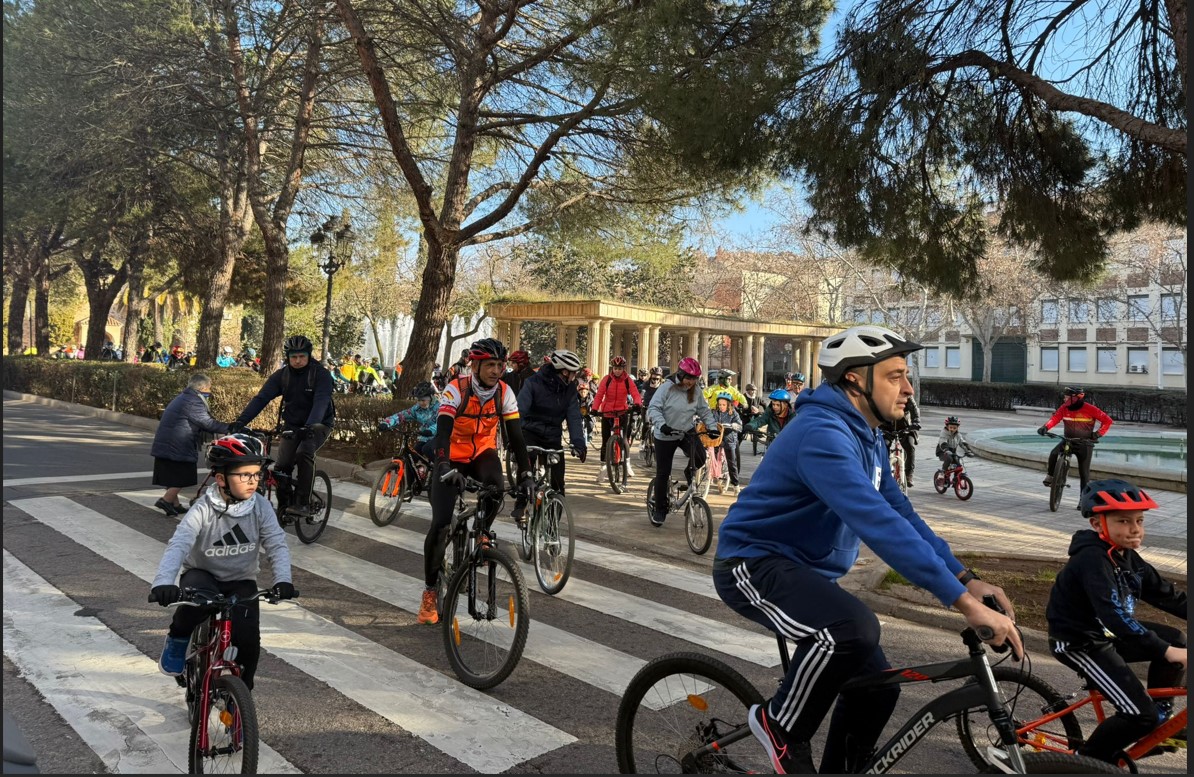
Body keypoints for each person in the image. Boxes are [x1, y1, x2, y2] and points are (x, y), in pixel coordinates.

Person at [713, 324, 1021, 774]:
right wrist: (961, 604)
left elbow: (903, 516)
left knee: (877, 687)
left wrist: (966, 578)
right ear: (856, 378)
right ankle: (779, 726)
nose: (908, 389)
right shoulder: (823, 433)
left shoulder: (868, 435)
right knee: (854, 627)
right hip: (753, 564)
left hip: (804, 573)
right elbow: (878, 526)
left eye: (906, 376)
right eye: (895, 376)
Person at [1046, 479, 1187, 764]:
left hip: (1107, 634)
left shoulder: (1128, 557)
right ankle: (1084, 764)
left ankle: (1161, 715)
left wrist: (1169, 647)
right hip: (1079, 641)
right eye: (1124, 521)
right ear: (1098, 524)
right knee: (1138, 714)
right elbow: (1115, 615)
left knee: (1175, 637)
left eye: (1139, 520)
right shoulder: (1091, 560)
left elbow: (1168, 596)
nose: (1135, 529)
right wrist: (1166, 652)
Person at [148, 434, 295, 687]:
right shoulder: (203, 508)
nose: (253, 481)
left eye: (256, 474)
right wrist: (163, 582)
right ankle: (177, 638)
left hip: (241, 580)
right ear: (221, 479)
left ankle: (241, 701)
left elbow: (276, 543)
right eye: (244, 475)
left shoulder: (261, 506)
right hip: (203, 574)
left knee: (248, 640)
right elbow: (179, 543)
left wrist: (283, 580)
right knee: (194, 608)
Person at [418, 338, 533, 625]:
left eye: (500, 365)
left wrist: (527, 474)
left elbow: (516, 438)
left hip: (482, 452)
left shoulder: (504, 392)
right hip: (451, 455)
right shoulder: (455, 389)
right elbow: (443, 433)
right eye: (490, 365)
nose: (496, 370)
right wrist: (443, 464)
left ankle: (482, 533)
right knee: (441, 524)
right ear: (476, 365)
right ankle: (430, 591)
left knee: (496, 484)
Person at [230, 335, 335, 518]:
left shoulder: (321, 375)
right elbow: (261, 398)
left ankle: (303, 502)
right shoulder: (282, 375)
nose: (297, 360)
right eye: (293, 357)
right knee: (281, 468)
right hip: (293, 424)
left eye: (302, 356)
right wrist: (241, 422)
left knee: (304, 453)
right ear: (288, 357)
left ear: (309, 356)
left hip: (318, 424)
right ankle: (284, 507)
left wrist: (311, 425)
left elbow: (321, 401)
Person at [512, 349, 587, 523]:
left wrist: (579, 443)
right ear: (564, 371)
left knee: (558, 482)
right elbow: (518, 412)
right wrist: (514, 440)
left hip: (553, 436)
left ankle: (553, 526)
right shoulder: (533, 383)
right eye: (573, 373)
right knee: (527, 461)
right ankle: (521, 502)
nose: (575, 377)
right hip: (530, 432)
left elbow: (574, 417)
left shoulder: (569, 389)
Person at [645, 357, 719, 527]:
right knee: (663, 472)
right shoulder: (666, 387)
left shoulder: (696, 390)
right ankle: (660, 509)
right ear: (680, 374)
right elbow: (653, 408)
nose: (691, 382)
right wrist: (662, 425)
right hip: (666, 433)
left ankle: (689, 475)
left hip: (686, 431)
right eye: (688, 378)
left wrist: (712, 427)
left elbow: (704, 411)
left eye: (694, 379)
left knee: (700, 458)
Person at [150, 374, 231, 516]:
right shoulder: (194, 401)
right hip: (178, 445)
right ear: (202, 387)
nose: (209, 390)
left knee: (171, 475)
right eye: (209, 387)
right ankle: (166, 500)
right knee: (183, 475)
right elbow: (207, 423)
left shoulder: (185, 397)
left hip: (168, 443)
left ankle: (175, 504)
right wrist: (230, 428)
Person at [1038, 386, 1113, 496]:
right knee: (1054, 453)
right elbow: (1055, 418)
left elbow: (1107, 421)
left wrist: (1098, 434)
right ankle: (1051, 476)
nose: (1064, 399)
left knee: (1084, 473)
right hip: (1068, 441)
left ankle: (1083, 499)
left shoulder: (1090, 409)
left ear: (1075, 398)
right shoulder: (1064, 408)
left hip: (1085, 444)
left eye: (1067, 397)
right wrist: (1045, 427)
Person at [592, 355, 642, 482]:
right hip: (607, 412)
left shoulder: (627, 380)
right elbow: (599, 394)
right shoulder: (606, 379)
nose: (617, 371)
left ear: (623, 369)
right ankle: (603, 467)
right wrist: (594, 408)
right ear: (612, 368)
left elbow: (635, 392)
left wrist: (637, 404)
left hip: (622, 411)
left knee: (624, 439)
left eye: (619, 368)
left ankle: (627, 463)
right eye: (615, 368)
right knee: (605, 440)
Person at [377, 381, 440, 458]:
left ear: (431, 397)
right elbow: (401, 415)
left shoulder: (440, 407)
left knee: (426, 449)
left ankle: (439, 468)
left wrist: (431, 430)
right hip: (424, 438)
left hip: (439, 437)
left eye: (423, 400)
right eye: (418, 400)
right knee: (412, 456)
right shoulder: (417, 409)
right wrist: (387, 423)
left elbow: (442, 423)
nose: (420, 403)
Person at [882, 394, 921, 487]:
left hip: (905, 427)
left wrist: (916, 421)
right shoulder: (885, 393)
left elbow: (914, 409)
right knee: (883, 446)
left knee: (909, 447)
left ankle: (909, 474)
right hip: (886, 427)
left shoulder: (906, 395)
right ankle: (884, 472)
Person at [711, 391, 743, 494]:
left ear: (728, 405)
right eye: (719, 404)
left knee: (731, 462)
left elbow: (740, 426)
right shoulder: (715, 412)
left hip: (729, 439)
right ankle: (713, 474)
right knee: (712, 456)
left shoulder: (733, 413)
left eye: (723, 405)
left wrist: (734, 425)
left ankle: (736, 485)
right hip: (717, 438)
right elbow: (710, 420)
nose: (721, 406)